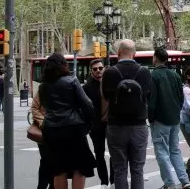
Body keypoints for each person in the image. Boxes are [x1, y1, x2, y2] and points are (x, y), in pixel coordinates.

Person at [40, 53, 96, 189]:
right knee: (79, 168)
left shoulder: (43, 86)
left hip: (51, 130)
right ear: (63, 65)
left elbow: (44, 107)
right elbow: (87, 104)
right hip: (73, 129)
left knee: (59, 170)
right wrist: (87, 124)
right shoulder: (72, 81)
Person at [102, 39, 152, 189]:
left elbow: (105, 96)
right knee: (137, 170)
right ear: (134, 54)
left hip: (116, 126)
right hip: (138, 126)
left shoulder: (110, 72)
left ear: (118, 53)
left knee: (119, 169)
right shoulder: (144, 72)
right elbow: (148, 97)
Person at [148, 48, 190, 189]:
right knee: (175, 150)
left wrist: (151, 118)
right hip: (174, 118)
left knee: (162, 152)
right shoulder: (175, 75)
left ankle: (169, 183)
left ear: (155, 58)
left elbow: (152, 101)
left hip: (160, 119)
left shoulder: (154, 76)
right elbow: (181, 98)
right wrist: (176, 111)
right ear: (166, 59)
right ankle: (184, 180)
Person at [82, 59, 113, 189]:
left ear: (104, 68)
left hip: (111, 124)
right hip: (96, 126)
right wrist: (89, 126)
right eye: (95, 69)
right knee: (99, 154)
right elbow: (84, 108)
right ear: (91, 71)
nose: (98, 71)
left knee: (114, 153)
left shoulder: (110, 83)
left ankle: (114, 180)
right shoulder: (87, 87)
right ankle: (104, 182)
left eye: (100, 68)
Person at [31, 88, 54, 189]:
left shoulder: (65, 86)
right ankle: (42, 186)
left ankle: (53, 185)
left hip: (60, 130)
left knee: (56, 160)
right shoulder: (43, 89)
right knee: (46, 159)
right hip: (44, 130)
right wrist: (44, 122)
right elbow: (34, 108)